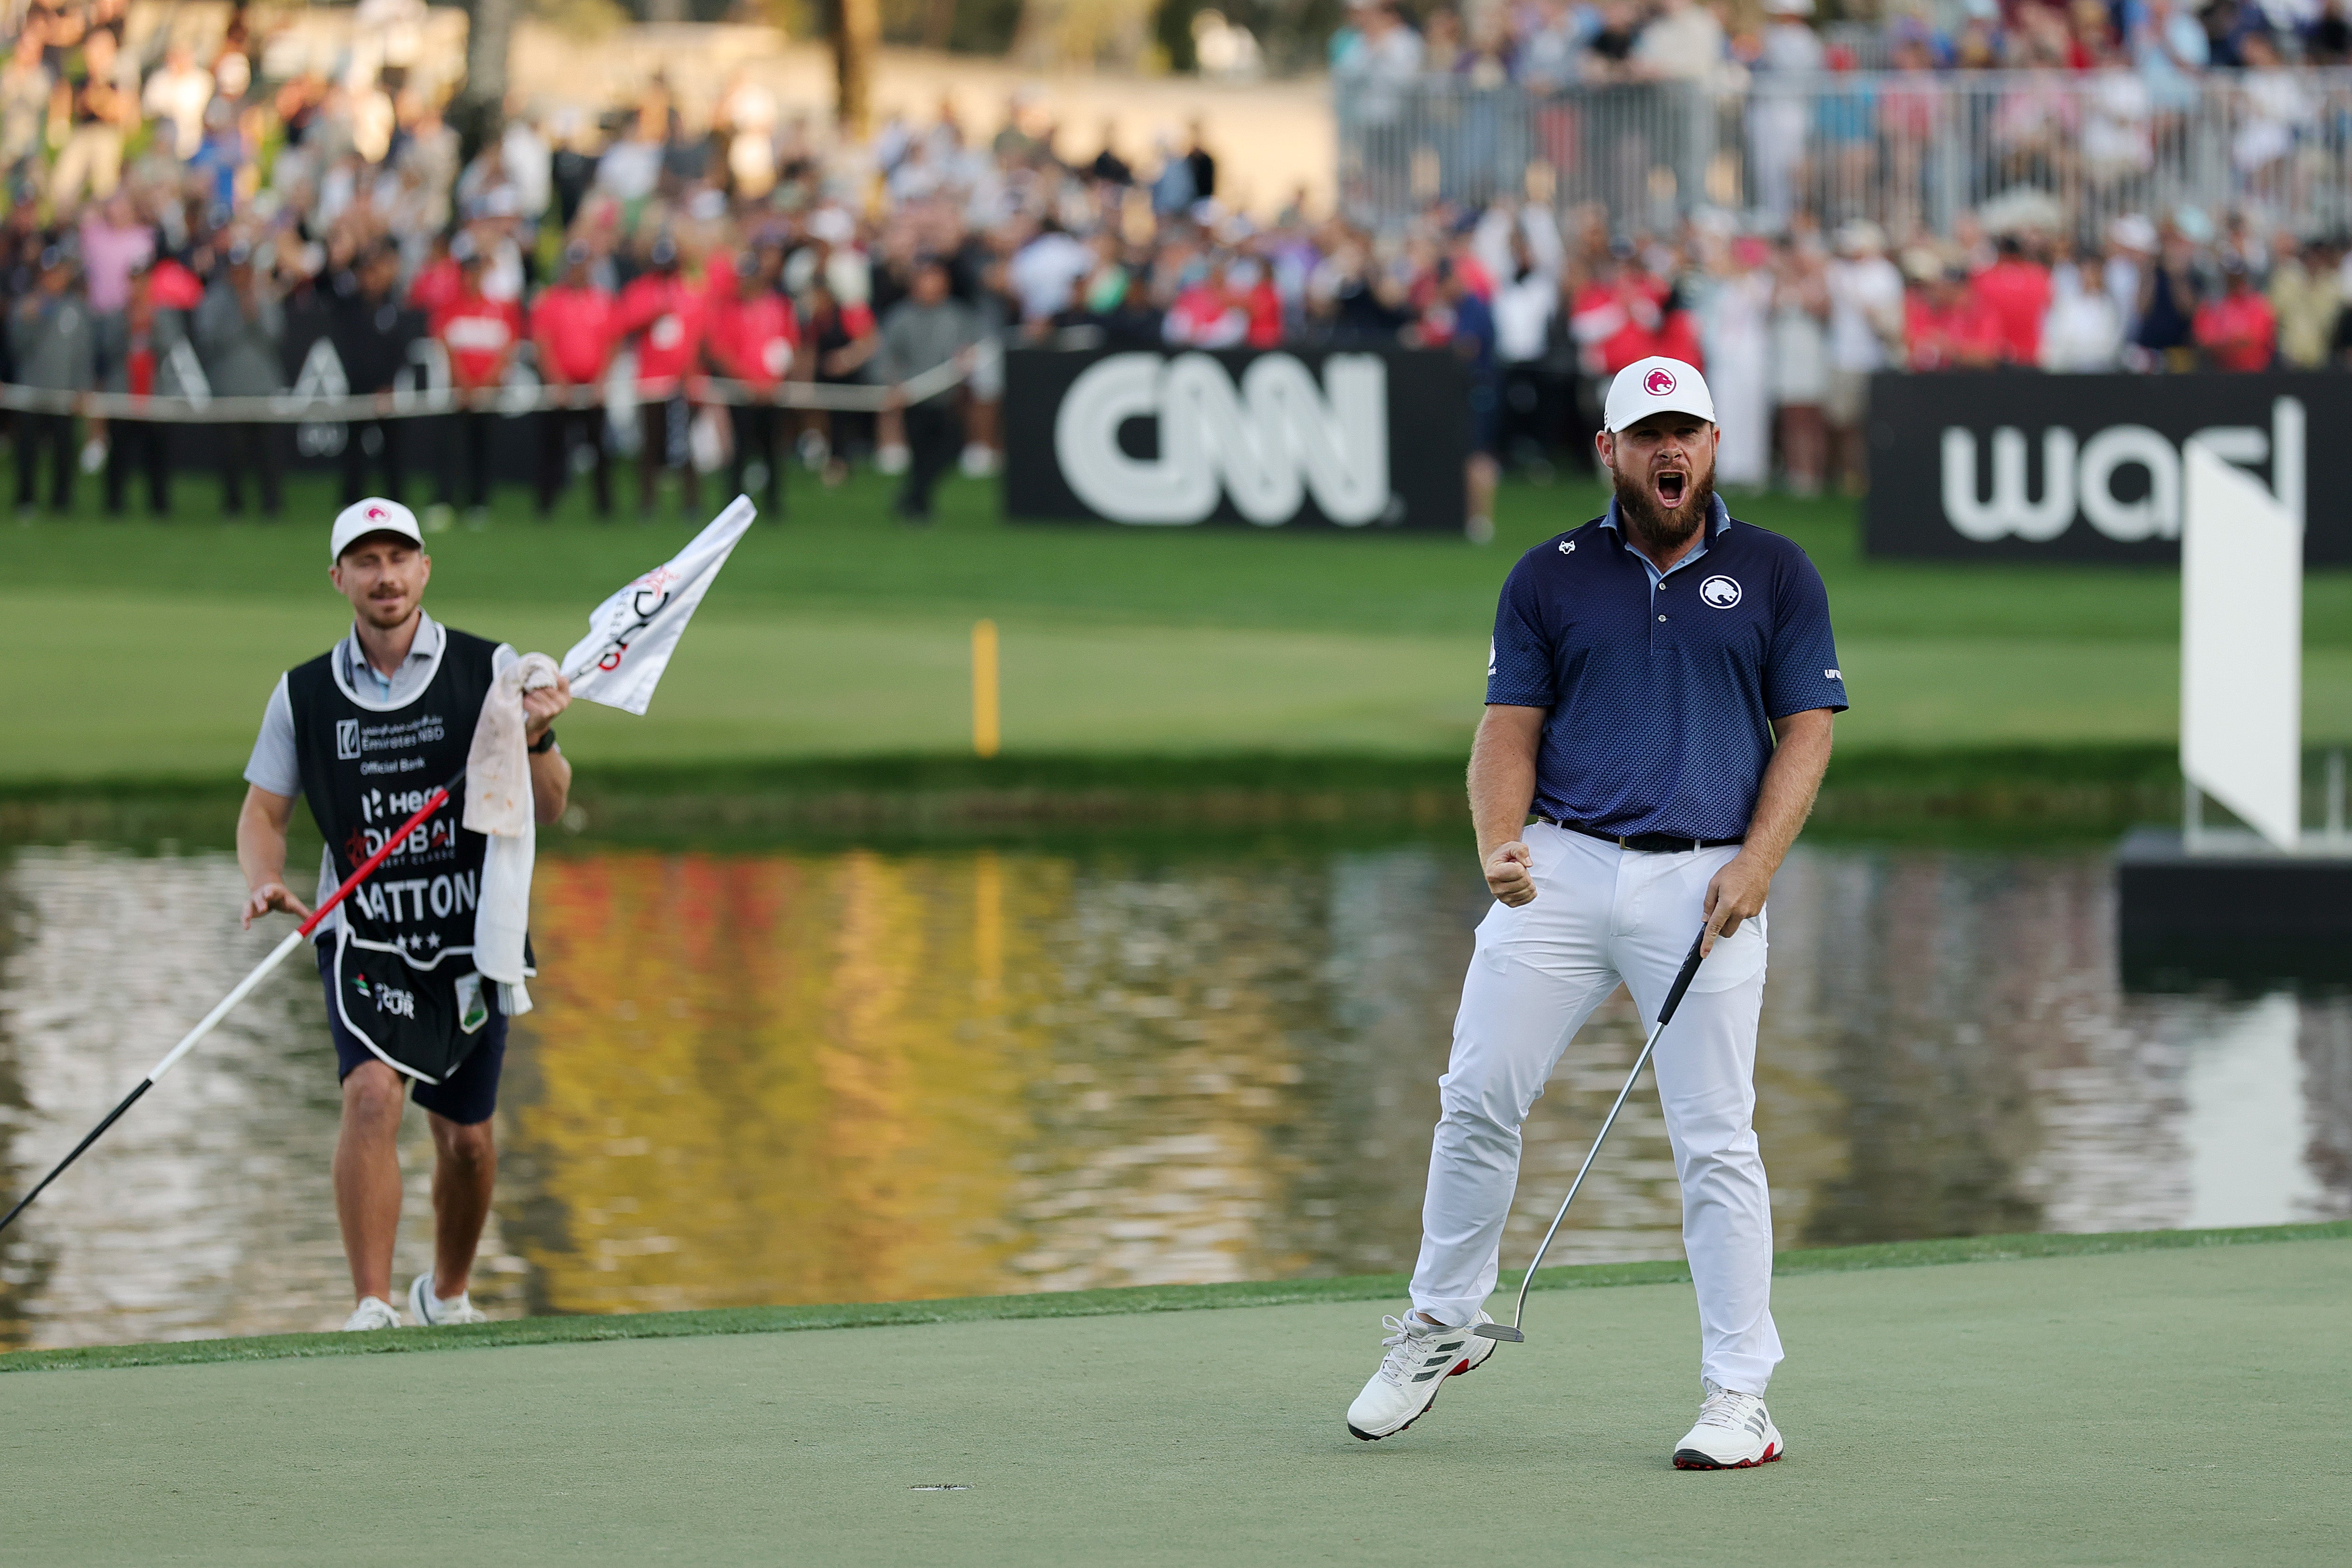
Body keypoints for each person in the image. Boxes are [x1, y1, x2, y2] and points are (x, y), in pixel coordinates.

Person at [1343, 355, 1844, 1469]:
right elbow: (1507, 726)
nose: (1671, 450)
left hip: (1706, 875)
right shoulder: (1548, 575)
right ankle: (1442, 1319)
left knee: (1715, 1138)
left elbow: (1807, 729)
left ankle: (1739, 1396)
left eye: (1687, 432)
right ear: (1608, 451)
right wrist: (1498, 843)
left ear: (1712, 445)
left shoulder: (1774, 570)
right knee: (1476, 1092)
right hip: (1563, 865)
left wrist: (1758, 864)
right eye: (1648, 433)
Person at [236, 498, 573, 1332]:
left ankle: (445, 1295)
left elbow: (551, 805)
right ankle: (372, 1306)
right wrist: (265, 879)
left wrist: (536, 739)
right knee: (370, 1096)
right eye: (366, 560)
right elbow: (264, 813)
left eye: (398, 557)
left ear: (425, 568)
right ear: (339, 578)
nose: (384, 576)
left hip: (470, 938)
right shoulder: (303, 693)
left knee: (467, 1141)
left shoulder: (488, 669)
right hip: (367, 935)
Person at [876, 256, 978, 523]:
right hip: (914, 398)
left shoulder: (957, 315)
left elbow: (970, 349)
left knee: (951, 449)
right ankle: (918, 505)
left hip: (947, 399)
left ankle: (912, 497)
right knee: (921, 455)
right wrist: (892, 386)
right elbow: (886, 356)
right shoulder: (901, 316)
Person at [429, 235, 523, 519]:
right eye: (469, 272)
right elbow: (447, 349)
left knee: (483, 446)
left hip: (487, 393)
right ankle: (445, 500)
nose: (473, 278)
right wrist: (464, 383)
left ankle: (478, 502)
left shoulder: (501, 309)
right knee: (452, 447)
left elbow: (506, 349)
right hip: (458, 393)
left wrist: (486, 384)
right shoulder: (449, 307)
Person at [192, 241, 286, 517]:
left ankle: (272, 504)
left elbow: (276, 335)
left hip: (263, 388)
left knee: (268, 451)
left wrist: (253, 312)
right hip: (229, 388)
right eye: (237, 269)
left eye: (246, 269)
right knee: (231, 452)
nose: (242, 275)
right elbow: (208, 340)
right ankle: (233, 505)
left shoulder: (264, 296)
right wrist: (240, 319)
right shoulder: (214, 299)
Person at [616, 233, 705, 518]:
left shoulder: (690, 290)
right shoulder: (640, 290)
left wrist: (691, 373)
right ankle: (648, 502)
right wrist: (655, 313)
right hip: (651, 379)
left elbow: (697, 336)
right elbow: (625, 323)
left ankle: (691, 503)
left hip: (681, 379)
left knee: (685, 445)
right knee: (651, 442)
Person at [706, 249, 799, 517]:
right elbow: (721, 351)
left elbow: (789, 345)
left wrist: (776, 381)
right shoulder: (730, 310)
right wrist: (747, 382)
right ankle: (733, 504)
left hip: (772, 391)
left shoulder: (779, 306)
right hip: (742, 392)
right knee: (740, 449)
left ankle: (773, 504)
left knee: (772, 448)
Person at [331, 242, 424, 506]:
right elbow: (348, 349)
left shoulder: (393, 306)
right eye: (367, 272)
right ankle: (351, 500)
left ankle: (396, 501)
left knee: (393, 449)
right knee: (354, 448)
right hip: (358, 389)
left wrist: (388, 384)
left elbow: (401, 349)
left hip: (388, 391)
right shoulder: (349, 307)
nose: (372, 278)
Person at [7, 245, 94, 514]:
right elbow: (15, 348)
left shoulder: (76, 309)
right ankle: (26, 500)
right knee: (27, 450)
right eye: (49, 273)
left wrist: (83, 388)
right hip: (30, 391)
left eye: (59, 273)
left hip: (63, 392)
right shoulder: (25, 306)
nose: (54, 278)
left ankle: (62, 501)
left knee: (64, 449)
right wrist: (29, 320)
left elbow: (83, 353)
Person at [531, 242, 614, 515]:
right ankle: (546, 503)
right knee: (552, 447)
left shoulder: (602, 300)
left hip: (592, 387)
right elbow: (543, 343)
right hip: (562, 387)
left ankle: (604, 505)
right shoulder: (551, 301)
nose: (579, 271)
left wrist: (602, 378)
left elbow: (611, 342)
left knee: (600, 448)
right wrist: (556, 379)